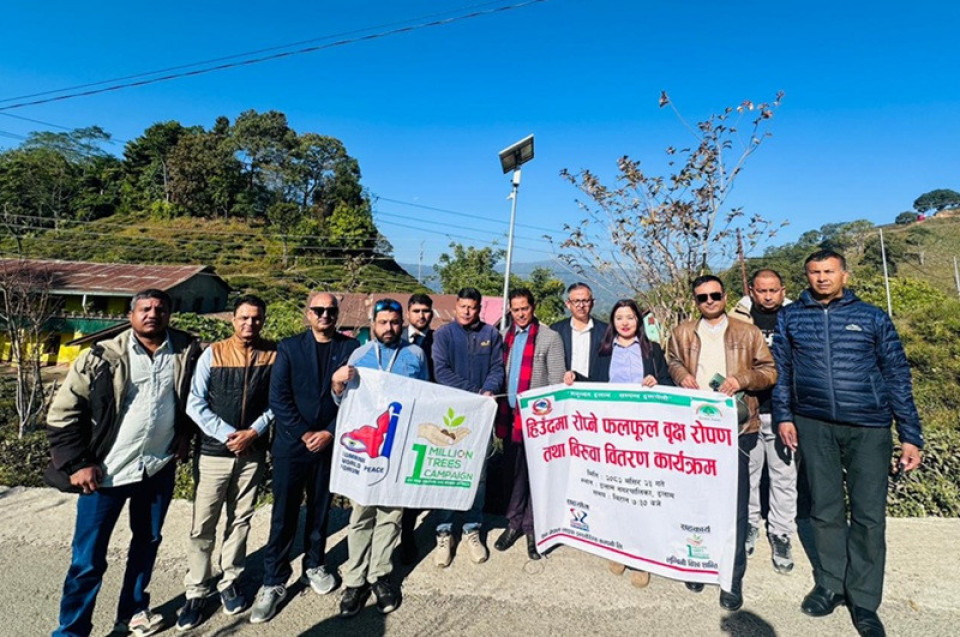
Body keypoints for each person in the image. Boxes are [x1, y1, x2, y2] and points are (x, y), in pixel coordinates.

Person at [773, 250, 923, 637]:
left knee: (869, 515)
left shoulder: (872, 316)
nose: (822, 278)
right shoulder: (791, 317)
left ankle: (864, 600)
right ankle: (830, 584)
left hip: (869, 425)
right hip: (813, 421)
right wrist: (786, 416)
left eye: (829, 271)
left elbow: (896, 374)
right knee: (824, 509)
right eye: (815, 272)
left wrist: (910, 435)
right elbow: (784, 371)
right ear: (806, 276)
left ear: (844, 274)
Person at [47, 289, 201, 637]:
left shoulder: (184, 352)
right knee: (87, 559)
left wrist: (183, 435)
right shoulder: (101, 356)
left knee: (147, 543)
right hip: (104, 473)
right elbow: (62, 413)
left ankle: (132, 612)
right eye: (144, 308)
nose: (152, 314)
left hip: (156, 467)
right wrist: (78, 463)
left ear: (169, 314)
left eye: (160, 309)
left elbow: (192, 398)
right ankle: (71, 630)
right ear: (131, 315)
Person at [667, 275, 777, 611]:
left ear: (725, 296)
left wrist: (741, 378)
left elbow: (769, 371)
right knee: (695, 499)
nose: (710, 301)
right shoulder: (683, 332)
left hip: (736, 427)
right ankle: (697, 562)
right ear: (695, 302)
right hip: (694, 426)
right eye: (702, 298)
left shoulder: (747, 332)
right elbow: (671, 361)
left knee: (735, 504)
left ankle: (732, 577)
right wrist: (681, 375)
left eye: (715, 295)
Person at [250, 292, 360, 624]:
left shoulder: (351, 349)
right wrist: (303, 433)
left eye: (330, 311)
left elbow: (358, 399)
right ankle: (273, 580)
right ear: (307, 314)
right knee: (283, 514)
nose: (325, 315)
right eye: (318, 310)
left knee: (320, 508)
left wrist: (328, 431)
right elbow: (279, 398)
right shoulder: (289, 347)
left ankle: (314, 563)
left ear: (337, 315)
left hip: (330, 441)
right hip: (291, 445)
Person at [176, 295, 276, 630]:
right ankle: (196, 589)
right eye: (244, 318)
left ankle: (229, 579)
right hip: (215, 452)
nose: (250, 324)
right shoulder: (213, 353)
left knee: (241, 519)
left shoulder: (273, 354)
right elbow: (195, 402)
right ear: (233, 320)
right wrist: (230, 434)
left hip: (253, 451)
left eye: (256, 318)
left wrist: (254, 431)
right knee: (203, 522)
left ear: (263, 320)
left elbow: (277, 401)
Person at [331, 298, 430, 617]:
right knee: (361, 515)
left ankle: (380, 576)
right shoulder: (360, 355)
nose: (389, 328)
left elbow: (427, 396)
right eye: (383, 322)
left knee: (391, 515)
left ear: (403, 324)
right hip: (368, 449)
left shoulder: (415, 355)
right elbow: (344, 403)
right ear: (373, 324)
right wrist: (336, 385)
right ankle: (355, 580)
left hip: (398, 447)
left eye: (395, 322)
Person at [592, 299, 674, 588]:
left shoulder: (653, 351)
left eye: (630, 317)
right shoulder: (602, 352)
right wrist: (571, 378)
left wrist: (657, 381)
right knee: (616, 491)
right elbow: (591, 385)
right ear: (612, 322)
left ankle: (642, 556)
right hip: (612, 435)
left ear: (639, 321)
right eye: (619, 318)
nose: (625, 322)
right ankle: (618, 547)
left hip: (645, 435)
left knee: (643, 493)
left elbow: (668, 383)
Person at [730, 269, 800, 574]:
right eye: (761, 291)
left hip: (785, 412)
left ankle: (781, 533)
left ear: (783, 290)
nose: (768, 296)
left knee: (784, 476)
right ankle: (749, 524)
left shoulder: (797, 318)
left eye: (773, 290)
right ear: (751, 291)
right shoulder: (739, 320)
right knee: (749, 474)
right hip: (748, 411)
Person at [430, 287, 504, 567]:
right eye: (462, 306)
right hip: (450, 416)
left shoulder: (491, 335)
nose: (467, 311)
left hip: (481, 415)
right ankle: (444, 532)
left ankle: (472, 529)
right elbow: (442, 372)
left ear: (479, 308)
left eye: (472, 307)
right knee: (447, 472)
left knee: (478, 475)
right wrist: (475, 390)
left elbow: (498, 367)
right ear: (456, 306)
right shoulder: (444, 335)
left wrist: (489, 389)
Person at [493, 289, 565, 560]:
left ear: (533, 308)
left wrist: (544, 417)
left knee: (536, 475)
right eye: (515, 309)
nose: (520, 314)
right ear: (510, 311)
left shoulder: (549, 338)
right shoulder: (504, 338)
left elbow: (556, 381)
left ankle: (533, 527)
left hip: (537, 420)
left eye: (525, 308)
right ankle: (513, 522)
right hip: (510, 417)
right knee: (514, 474)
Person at [397, 293, 435, 564]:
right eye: (417, 311)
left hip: (429, 420)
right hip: (399, 420)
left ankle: (407, 535)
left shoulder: (438, 341)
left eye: (426, 311)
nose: (422, 315)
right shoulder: (393, 339)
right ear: (408, 313)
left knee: (416, 477)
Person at [551, 282, 609, 384]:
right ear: (568, 304)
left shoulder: (606, 331)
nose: (581, 305)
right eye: (576, 301)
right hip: (565, 389)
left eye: (585, 301)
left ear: (592, 303)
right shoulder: (556, 330)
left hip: (594, 391)